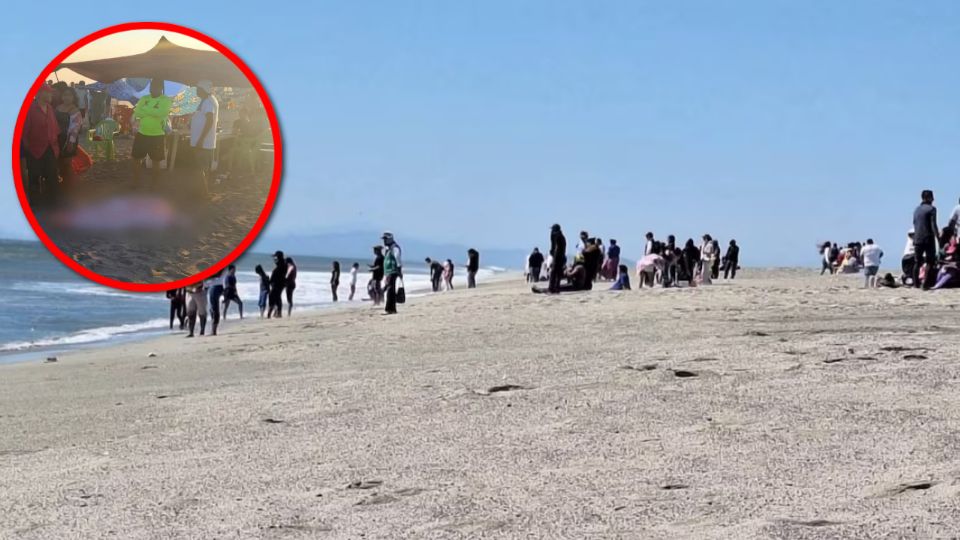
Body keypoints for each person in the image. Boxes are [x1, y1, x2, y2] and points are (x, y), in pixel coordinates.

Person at [22, 85, 61, 204]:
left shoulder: (50, 108)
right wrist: (29, 148)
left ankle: (53, 202)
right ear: (39, 94)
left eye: (51, 93)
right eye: (48, 92)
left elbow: (55, 128)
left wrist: (55, 145)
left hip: (50, 148)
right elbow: (24, 132)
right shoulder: (30, 109)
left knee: (52, 176)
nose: (51, 95)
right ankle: (35, 203)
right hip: (34, 150)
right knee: (34, 177)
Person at [131, 78, 171, 186]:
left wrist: (145, 110)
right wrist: (153, 111)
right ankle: (135, 182)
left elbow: (162, 113)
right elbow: (137, 112)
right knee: (136, 159)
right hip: (142, 133)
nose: (151, 88)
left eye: (154, 86)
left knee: (156, 161)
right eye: (151, 86)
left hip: (157, 135)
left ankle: (154, 185)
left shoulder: (166, 100)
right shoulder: (144, 98)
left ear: (160, 88)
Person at [191, 80, 219, 195]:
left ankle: (205, 193)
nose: (197, 90)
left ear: (204, 90)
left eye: (198, 88)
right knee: (203, 168)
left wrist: (201, 139)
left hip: (203, 142)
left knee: (201, 168)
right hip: (202, 142)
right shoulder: (207, 100)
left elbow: (210, 120)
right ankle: (202, 191)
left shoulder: (208, 101)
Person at [54, 86, 83, 185]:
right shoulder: (58, 108)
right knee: (59, 163)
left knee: (67, 164)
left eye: (69, 95)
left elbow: (75, 129)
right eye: (65, 95)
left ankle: (69, 185)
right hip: (56, 139)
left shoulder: (75, 110)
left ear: (73, 97)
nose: (67, 97)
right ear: (62, 96)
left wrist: (71, 142)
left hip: (68, 140)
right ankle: (62, 183)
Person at [913, 190, 939, 290]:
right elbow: (933, 225)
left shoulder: (916, 209)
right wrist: (938, 238)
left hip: (917, 238)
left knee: (917, 262)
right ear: (928, 198)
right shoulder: (932, 209)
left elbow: (915, 223)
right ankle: (925, 284)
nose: (933, 199)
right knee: (930, 261)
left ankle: (916, 284)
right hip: (928, 238)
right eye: (932, 197)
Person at [382, 232, 402, 314]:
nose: (384, 241)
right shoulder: (388, 248)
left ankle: (389, 309)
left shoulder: (395, 248)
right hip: (389, 272)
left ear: (390, 239)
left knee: (390, 290)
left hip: (393, 271)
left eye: (385, 239)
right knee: (391, 290)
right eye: (384, 239)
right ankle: (392, 309)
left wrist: (399, 271)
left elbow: (398, 260)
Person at [549, 224, 567, 294]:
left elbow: (556, 247)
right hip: (560, 257)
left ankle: (552, 288)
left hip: (558, 257)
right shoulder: (561, 236)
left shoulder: (558, 236)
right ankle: (556, 288)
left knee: (554, 272)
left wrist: (554, 256)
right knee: (558, 273)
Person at [269, 251, 288, 318]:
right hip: (280, 283)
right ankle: (277, 312)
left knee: (273, 296)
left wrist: (271, 280)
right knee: (277, 297)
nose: (275, 258)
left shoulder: (281, 265)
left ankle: (275, 312)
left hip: (278, 283)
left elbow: (278, 273)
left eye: (276, 257)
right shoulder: (282, 264)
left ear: (279, 257)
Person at [207, 270, 224, 336]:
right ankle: (213, 330)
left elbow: (218, 274)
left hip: (215, 286)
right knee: (212, 309)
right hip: (215, 286)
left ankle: (214, 331)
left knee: (214, 309)